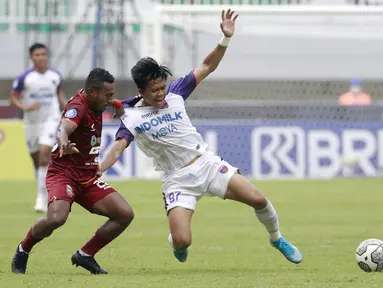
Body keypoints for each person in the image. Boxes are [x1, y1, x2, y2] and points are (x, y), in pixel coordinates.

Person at [100, 10, 303, 265]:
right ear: (142, 91)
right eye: (155, 90)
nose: (161, 93)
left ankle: (276, 239)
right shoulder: (131, 117)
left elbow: (207, 66)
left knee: (258, 200)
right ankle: (177, 241)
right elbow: (117, 149)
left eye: (163, 86)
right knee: (183, 241)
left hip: (206, 163)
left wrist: (225, 39)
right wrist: (99, 169)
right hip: (177, 179)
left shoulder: (176, 92)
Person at [11, 68, 135, 275]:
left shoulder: (96, 99)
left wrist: (118, 105)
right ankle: (23, 248)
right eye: (109, 95)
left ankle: (85, 255)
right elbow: (64, 128)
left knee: (124, 214)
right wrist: (64, 142)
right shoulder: (78, 107)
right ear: (93, 92)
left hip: (87, 177)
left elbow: (111, 102)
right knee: (56, 218)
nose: (111, 99)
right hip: (63, 174)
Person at [9, 43, 67, 213]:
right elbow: (13, 99)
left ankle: (42, 198)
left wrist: (67, 110)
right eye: (38, 55)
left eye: (44, 54)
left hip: (51, 120)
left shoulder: (55, 75)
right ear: (31, 57)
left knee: (44, 156)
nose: (41, 58)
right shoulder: (24, 78)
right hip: (31, 123)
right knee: (36, 160)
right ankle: (41, 189)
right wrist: (26, 108)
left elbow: (59, 95)